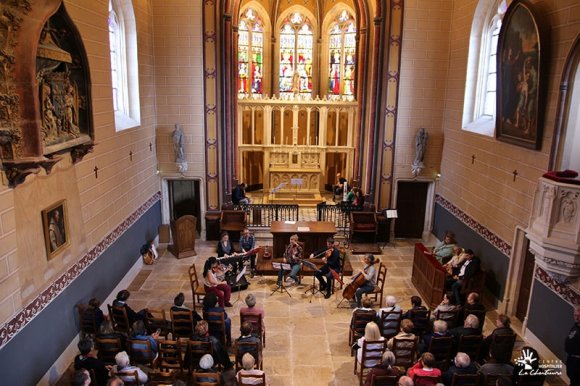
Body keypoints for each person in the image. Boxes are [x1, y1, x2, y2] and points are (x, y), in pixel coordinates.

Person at [565, 306, 580, 386]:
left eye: (579, 316)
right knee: (571, 378)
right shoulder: (575, 326)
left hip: (577, 362)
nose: (576, 318)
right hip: (571, 358)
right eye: (575, 315)